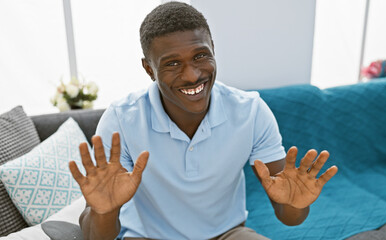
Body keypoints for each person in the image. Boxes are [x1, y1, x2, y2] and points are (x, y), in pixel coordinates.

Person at [68, 2, 338, 240]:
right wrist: (105, 211)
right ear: (149, 69)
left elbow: (288, 215)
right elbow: (96, 237)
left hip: (226, 234)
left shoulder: (251, 111)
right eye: (172, 64)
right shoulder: (120, 120)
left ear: (213, 49)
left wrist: (295, 204)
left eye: (200, 56)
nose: (192, 75)